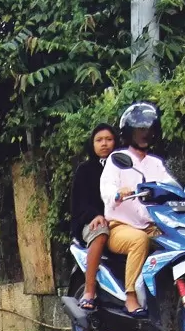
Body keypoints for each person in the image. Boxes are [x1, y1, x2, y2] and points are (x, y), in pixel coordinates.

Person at [98, 101, 175, 316]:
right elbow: (106, 188)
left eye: (148, 130)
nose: (145, 134)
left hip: (151, 225)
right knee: (138, 240)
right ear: (129, 133)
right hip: (120, 226)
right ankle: (130, 296)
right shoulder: (117, 160)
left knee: (180, 239)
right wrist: (117, 194)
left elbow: (171, 186)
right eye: (139, 130)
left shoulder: (155, 164)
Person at [68, 124, 117, 310]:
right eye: (99, 140)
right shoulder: (85, 170)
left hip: (121, 221)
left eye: (109, 139)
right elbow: (79, 203)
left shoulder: (124, 167)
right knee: (101, 231)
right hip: (90, 222)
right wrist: (95, 216)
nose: (104, 144)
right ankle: (89, 290)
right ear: (92, 144)